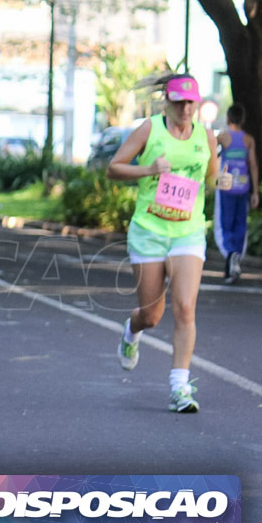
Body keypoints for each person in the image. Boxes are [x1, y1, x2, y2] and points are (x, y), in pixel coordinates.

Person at [106, 74, 219, 413]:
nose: (185, 108)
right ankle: (132, 330)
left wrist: (224, 180)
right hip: (149, 230)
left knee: (185, 307)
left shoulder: (206, 135)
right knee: (152, 315)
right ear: (167, 102)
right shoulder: (149, 129)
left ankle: (179, 388)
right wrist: (149, 169)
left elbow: (212, 177)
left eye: (191, 103)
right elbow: (114, 168)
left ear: (197, 104)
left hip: (188, 231)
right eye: (179, 102)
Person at [214, 103, 259, 284]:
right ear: (243, 119)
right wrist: (255, 191)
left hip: (225, 185)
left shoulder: (223, 137)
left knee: (225, 224)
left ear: (228, 118)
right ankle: (236, 259)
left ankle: (230, 255)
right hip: (243, 185)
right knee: (240, 224)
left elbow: (211, 157)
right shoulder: (248, 139)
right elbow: (253, 165)